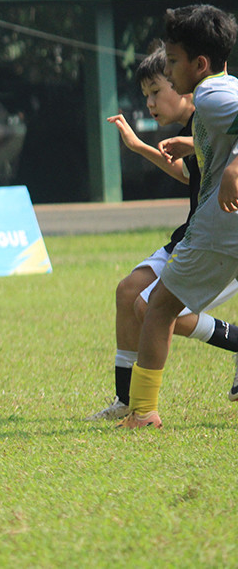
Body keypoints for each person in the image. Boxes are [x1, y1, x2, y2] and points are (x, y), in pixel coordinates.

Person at [87, 45, 238, 421]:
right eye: (147, 95)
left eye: (159, 88)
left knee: (151, 307)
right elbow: (190, 174)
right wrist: (140, 148)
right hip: (192, 232)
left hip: (218, 237)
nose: (152, 101)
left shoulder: (212, 108)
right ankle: (126, 402)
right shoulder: (198, 125)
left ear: (184, 81)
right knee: (128, 292)